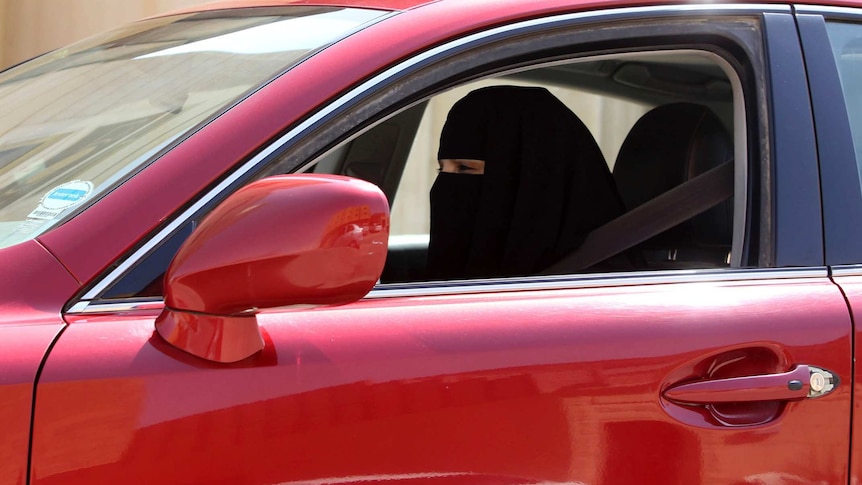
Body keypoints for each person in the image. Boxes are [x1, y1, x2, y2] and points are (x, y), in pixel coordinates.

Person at [426, 85, 624, 280]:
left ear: (531, 178)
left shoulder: (591, 286)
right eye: (441, 169)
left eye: (464, 168)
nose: (444, 185)